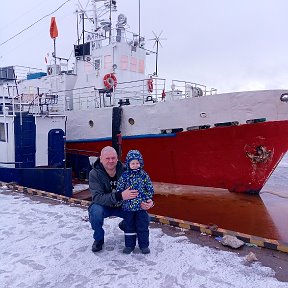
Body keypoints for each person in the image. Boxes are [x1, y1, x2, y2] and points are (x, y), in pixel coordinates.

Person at [88, 146, 154, 252]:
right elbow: (97, 197)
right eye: (107, 158)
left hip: (124, 206)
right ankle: (99, 239)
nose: (111, 161)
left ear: (117, 158)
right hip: (104, 206)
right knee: (95, 212)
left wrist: (149, 201)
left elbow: (140, 189)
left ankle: (126, 224)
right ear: (101, 159)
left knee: (145, 217)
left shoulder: (126, 170)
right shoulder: (94, 174)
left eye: (113, 158)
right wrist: (120, 196)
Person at [116, 150, 154, 254]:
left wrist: (148, 198)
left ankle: (144, 245)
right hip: (128, 207)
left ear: (141, 163)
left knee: (143, 226)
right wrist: (123, 195)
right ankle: (129, 245)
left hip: (141, 207)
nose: (135, 165)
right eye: (133, 163)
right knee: (129, 227)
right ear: (128, 164)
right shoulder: (124, 176)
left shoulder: (143, 175)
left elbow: (149, 188)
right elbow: (119, 189)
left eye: (137, 163)